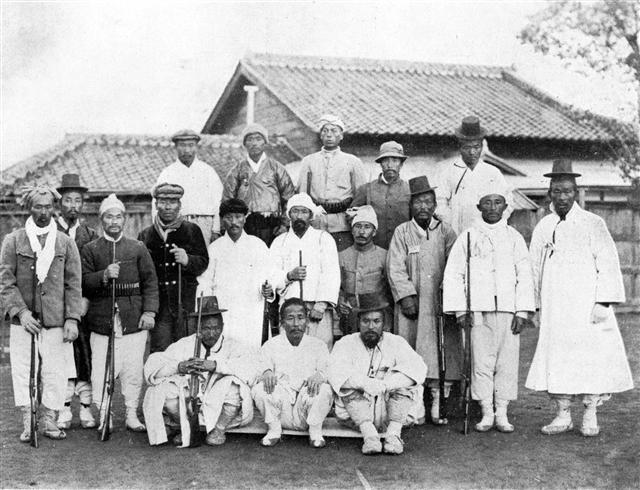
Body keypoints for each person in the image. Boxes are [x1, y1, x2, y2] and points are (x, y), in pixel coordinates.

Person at [525, 159, 633, 437]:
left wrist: (603, 302)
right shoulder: (544, 226)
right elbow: (534, 268)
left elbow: (607, 263)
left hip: (587, 307)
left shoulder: (592, 223)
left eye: (567, 191)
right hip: (556, 308)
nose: (562, 197)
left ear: (575, 192)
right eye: (556, 191)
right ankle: (563, 415)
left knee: (589, 358)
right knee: (558, 358)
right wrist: (535, 306)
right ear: (549, 193)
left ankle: (590, 413)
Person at [443, 182, 535, 432]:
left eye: (497, 202)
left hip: (507, 310)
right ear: (479, 206)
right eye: (487, 202)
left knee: (506, 362)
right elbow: (454, 274)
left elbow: (524, 274)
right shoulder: (468, 237)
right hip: (477, 311)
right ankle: (486, 411)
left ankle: (502, 412)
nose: (493, 207)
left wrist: (522, 311)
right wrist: (461, 310)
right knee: (480, 362)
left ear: (505, 206)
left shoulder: (514, 237)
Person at [0, 186, 82, 441]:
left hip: (55, 319)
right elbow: (5, 281)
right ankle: (29, 419)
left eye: (48, 207)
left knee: (56, 371)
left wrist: (72, 318)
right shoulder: (14, 240)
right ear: (29, 208)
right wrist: (21, 312)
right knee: (23, 369)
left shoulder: (65, 242)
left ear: (54, 208)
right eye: (38, 206)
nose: (43, 212)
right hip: (24, 321)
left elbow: (73, 284)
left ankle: (49, 419)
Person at [81, 194, 159, 432]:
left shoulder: (137, 247)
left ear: (124, 219)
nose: (114, 221)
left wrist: (149, 312)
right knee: (100, 371)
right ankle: (105, 413)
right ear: (101, 220)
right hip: (102, 319)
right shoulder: (90, 249)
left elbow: (150, 282)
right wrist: (103, 276)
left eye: (118, 216)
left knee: (132, 369)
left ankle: (131, 414)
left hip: (133, 318)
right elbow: (83, 282)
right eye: (108, 217)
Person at [386, 176, 459, 424]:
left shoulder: (446, 231)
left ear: (435, 204)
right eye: (418, 202)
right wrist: (406, 296)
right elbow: (395, 267)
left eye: (428, 202)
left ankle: (438, 401)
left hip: (439, 303)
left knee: (441, 351)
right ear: (411, 206)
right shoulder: (402, 232)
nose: (423, 207)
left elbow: (455, 265)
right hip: (413, 305)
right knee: (410, 351)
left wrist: (448, 295)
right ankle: (415, 405)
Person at [142, 296, 258, 447]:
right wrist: (179, 366)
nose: (212, 334)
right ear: (198, 328)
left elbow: (250, 369)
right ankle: (185, 427)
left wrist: (215, 366)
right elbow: (154, 364)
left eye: (216, 328)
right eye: (206, 329)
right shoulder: (185, 344)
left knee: (236, 387)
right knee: (161, 390)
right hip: (190, 401)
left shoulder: (233, 346)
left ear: (223, 326)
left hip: (219, 403)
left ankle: (218, 429)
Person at [328, 293, 427, 455]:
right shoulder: (345, 343)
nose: (371, 326)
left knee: (408, 381)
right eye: (366, 321)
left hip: (393, 414)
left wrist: (386, 384)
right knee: (345, 384)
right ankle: (370, 437)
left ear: (384, 323)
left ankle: (393, 436)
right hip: (356, 417)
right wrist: (365, 383)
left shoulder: (396, 342)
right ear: (358, 322)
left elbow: (419, 369)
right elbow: (335, 372)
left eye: (376, 321)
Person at [251, 298, 333, 448]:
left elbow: (328, 370)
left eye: (300, 318)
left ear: (307, 321)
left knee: (325, 389)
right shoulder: (271, 345)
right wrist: (266, 372)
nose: (296, 324)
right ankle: (274, 430)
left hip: (307, 409)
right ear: (282, 322)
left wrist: (320, 375)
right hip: (280, 411)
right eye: (290, 318)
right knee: (260, 388)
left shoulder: (318, 345)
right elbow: (259, 368)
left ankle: (315, 432)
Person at [138, 183, 209, 353]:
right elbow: (141, 274)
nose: (168, 207)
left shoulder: (192, 230)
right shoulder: (146, 235)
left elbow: (203, 262)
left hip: (184, 305)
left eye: (172, 202)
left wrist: (187, 260)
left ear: (179, 205)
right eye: (163, 202)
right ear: (156, 205)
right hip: (159, 308)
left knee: (186, 352)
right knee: (160, 352)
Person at [197, 198, 275, 349]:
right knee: (225, 351)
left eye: (238, 217)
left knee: (252, 350)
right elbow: (205, 283)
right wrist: (208, 313)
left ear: (245, 218)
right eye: (229, 217)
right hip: (225, 309)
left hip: (251, 309)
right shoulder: (214, 248)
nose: (234, 222)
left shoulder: (258, 245)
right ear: (222, 220)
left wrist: (268, 289)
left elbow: (270, 276)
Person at [55, 174, 99, 430]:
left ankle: (85, 407)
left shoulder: (90, 234)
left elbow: (94, 272)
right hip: (56, 305)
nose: (73, 205)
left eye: (77, 200)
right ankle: (62, 408)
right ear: (60, 202)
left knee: (84, 353)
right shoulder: (50, 231)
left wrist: (86, 299)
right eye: (68, 200)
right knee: (61, 355)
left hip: (83, 306)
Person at [270, 193, 340, 347]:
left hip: (316, 309)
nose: (299, 216)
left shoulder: (323, 239)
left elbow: (331, 274)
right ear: (289, 214)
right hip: (290, 309)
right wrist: (289, 276)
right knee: (290, 351)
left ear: (311, 215)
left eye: (304, 211)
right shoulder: (279, 242)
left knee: (319, 349)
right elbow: (272, 274)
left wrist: (321, 305)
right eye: (295, 211)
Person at [296, 115, 367, 251]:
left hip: (343, 224)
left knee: (342, 259)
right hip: (316, 223)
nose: (329, 135)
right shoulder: (308, 161)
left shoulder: (353, 162)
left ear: (341, 135)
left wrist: (353, 216)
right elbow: (302, 194)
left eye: (334, 131)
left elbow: (360, 196)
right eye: (325, 130)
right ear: (320, 135)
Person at [436, 116, 512, 234]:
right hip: (457, 231)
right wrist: (451, 222)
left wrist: (495, 222)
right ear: (460, 147)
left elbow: (508, 200)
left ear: (482, 147)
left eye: (476, 147)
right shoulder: (448, 172)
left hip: (487, 232)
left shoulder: (493, 172)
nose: (472, 152)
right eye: (467, 147)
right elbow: (439, 202)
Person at [222, 123, 295, 245]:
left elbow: (289, 197)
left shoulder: (276, 168)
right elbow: (227, 200)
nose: (254, 143)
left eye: (258, 139)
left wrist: (284, 224)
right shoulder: (237, 170)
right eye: (250, 139)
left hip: (272, 225)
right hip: (245, 225)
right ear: (245, 144)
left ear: (265, 142)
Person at [155, 129, 224, 243]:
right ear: (176, 147)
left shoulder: (208, 171)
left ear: (196, 147)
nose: (187, 150)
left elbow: (219, 201)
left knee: (203, 254)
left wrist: (216, 229)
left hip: (204, 224)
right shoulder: (168, 173)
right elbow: (156, 204)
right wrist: (159, 230)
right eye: (182, 145)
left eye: (191, 145)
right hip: (176, 225)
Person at [338, 205, 391, 335]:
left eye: (367, 227)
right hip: (350, 318)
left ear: (374, 232)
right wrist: (340, 300)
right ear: (352, 230)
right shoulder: (341, 256)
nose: (361, 232)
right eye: (358, 226)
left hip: (377, 318)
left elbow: (391, 289)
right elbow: (336, 286)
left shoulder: (385, 256)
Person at [351, 141, 411, 249]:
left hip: (401, 249)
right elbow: (352, 218)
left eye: (395, 160)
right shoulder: (366, 189)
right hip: (373, 251)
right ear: (380, 164)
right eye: (385, 160)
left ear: (401, 164)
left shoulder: (409, 190)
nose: (390, 165)